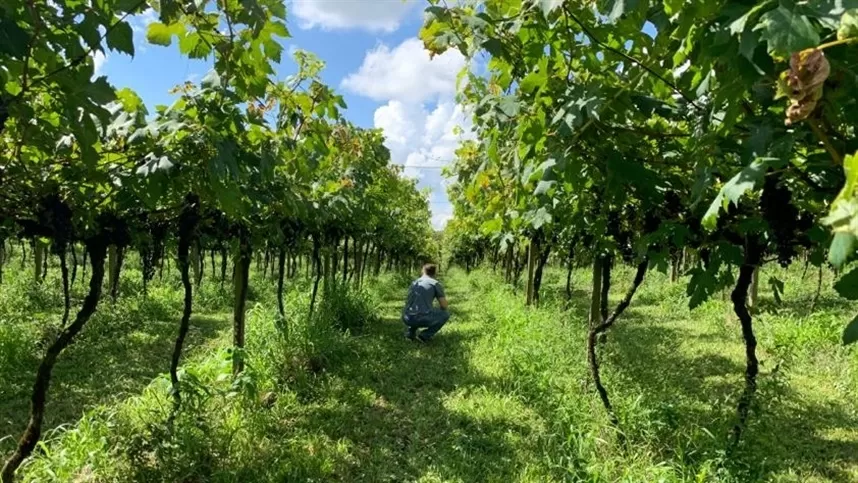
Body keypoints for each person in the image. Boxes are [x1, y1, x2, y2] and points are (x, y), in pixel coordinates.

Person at [402, 263, 449, 342]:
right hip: (422, 318)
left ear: (423, 271)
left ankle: (410, 334)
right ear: (435, 273)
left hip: (406, 317)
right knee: (445, 314)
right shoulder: (435, 284)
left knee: (415, 309)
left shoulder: (414, 283)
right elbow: (444, 306)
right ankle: (424, 336)